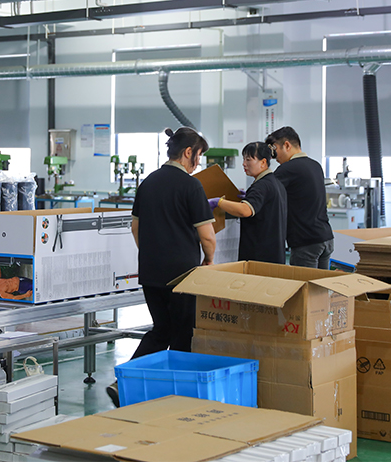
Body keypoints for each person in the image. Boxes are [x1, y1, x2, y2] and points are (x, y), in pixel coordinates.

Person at [106, 127, 216, 407]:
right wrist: (209, 260)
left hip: (151, 271)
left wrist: (152, 253)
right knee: (183, 333)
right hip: (182, 274)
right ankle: (176, 394)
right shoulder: (191, 186)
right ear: (188, 153)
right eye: (199, 155)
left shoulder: (148, 182)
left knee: (162, 329)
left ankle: (124, 382)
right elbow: (207, 236)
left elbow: (135, 227)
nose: (198, 163)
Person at [265, 126, 334, 269]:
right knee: (322, 283)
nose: (275, 158)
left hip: (306, 242)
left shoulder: (288, 168)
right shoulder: (315, 165)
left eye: (275, 150)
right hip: (325, 237)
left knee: (304, 283)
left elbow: (266, 191)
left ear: (287, 145)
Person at [211, 141, 287, 264]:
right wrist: (249, 197)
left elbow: (245, 211)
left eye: (248, 160)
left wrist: (218, 202)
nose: (244, 164)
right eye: (243, 159)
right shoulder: (275, 183)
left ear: (263, 162)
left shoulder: (261, 186)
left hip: (259, 257)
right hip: (274, 253)